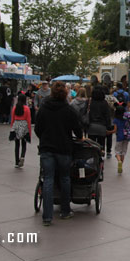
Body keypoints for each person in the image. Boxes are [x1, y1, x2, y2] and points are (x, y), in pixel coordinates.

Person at [34, 81, 83, 226]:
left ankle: (47, 216)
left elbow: (38, 129)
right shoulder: (68, 110)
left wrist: (45, 137)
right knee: (65, 178)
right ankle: (65, 211)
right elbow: (78, 130)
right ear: (66, 94)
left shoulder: (44, 108)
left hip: (47, 148)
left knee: (48, 179)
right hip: (64, 148)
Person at [88, 86, 114, 156]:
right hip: (102, 127)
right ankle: (101, 159)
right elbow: (107, 116)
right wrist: (108, 127)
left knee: (91, 145)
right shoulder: (104, 103)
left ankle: (92, 157)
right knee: (101, 145)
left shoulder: (90, 102)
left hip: (91, 126)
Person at [10, 93, 31, 168]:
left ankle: (16, 161)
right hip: (24, 125)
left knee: (17, 144)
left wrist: (12, 128)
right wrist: (29, 131)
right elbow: (28, 120)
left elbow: (12, 119)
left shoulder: (15, 108)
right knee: (24, 143)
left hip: (16, 124)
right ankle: (22, 157)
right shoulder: (27, 108)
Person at [113, 105, 130, 174]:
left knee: (117, 151)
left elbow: (115, 130)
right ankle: (121, 164)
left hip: (119, 136)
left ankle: (119, 162)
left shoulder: (115, 120)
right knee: (123, 152)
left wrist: (109, 132)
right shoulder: (126, 118)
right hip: (126, 136)